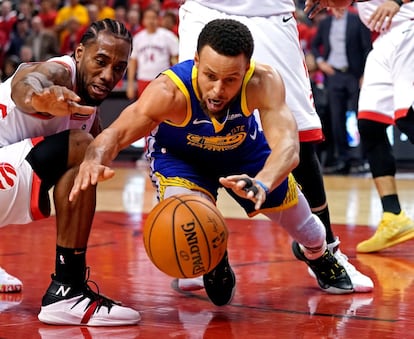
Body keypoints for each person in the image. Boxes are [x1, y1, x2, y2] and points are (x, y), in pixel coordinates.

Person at [71, 19, 356, 306]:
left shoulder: (263, 81)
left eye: (230, 79)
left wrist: (262, 183)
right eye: (210, 76)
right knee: (189, 221)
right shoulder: (169, 91)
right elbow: (116, 134)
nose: (218, 90)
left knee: (308, 227)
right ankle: (214, 255)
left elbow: (288, 148)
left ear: (246, 71)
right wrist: (94, 159)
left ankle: (319, 256)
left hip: (243, 153)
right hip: (181, 158)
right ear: (196, 62)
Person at [174, 0, 373, 292]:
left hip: (270, 13)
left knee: (300, 137)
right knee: (201, 132)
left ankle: (325, 247)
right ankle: (207, 251)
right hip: (205, 9)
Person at [0, 18, 140, 326]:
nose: (108, 75)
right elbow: (25, 82)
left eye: (118, 68)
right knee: (81, 146)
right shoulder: (59, 73)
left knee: (89, 147)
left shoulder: (88, 110)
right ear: (79, 53)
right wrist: (40, 98)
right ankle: (67, 292)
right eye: (100, 61)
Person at [304, 0, 414, 253]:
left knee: (407, 117)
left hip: (408, 28)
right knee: (370, 125)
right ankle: (393, 216)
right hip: (384, 40)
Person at [311, 8, 372, 174]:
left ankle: (360, 159)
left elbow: (367, 48)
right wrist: (320, 61)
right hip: (334, 74)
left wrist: (365, 73)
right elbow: (315, 45)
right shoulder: (325, 23)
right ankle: (343, 159)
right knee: (336, 119)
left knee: (357, 117)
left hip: (354, 75)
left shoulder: (357, 20)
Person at [126, 6, 178, 100]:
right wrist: (130, 85)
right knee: (143, 111)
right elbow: (133, 62)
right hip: (143, 80)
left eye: (153, 18)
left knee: (163, 110)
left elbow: (177, 58)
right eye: (148, 18)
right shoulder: (137, 38)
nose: (151, 21)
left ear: (158, 19)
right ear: (143, 20)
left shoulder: (168, 36)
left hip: (162, 80)